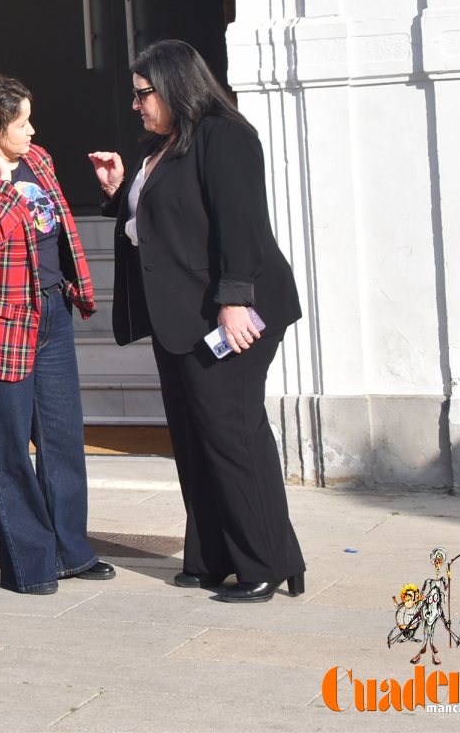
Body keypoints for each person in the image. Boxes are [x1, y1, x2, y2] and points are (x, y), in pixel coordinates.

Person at [89, 39, 305, 603]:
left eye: (142, 93)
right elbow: (170, 222)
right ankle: (212, 557)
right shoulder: (165, 144)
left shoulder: (225, 135)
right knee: (192, 437)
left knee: (232, 433)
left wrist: (235, 300)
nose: (135, 105)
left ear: (174, 85)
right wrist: (119, 194)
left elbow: (241, 223)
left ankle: (267, 561)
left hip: (231, 312)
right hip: (180, 314)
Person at [0, 74, 115, 594]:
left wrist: (75, 286)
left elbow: (59, 227)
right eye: (22, 123)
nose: (33, 131)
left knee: (63, 439)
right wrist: (4, 182)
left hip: (51, 311)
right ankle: (29, 565)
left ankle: (71, 552)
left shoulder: (39, 160)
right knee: (8, 450)